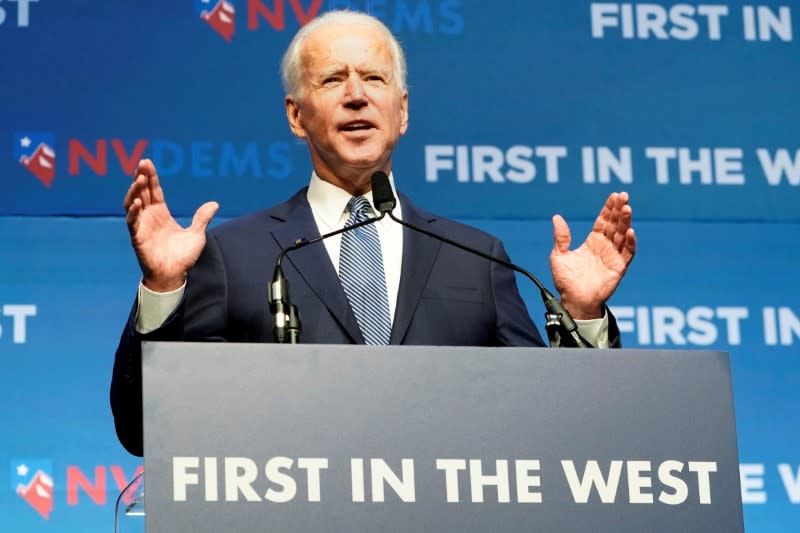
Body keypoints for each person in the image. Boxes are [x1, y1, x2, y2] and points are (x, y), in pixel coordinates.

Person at [111, 10, 636, 456]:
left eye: (374, 78)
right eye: (333, 79)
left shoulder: (477, 260)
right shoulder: (233, 255)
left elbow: (562, 430)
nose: (357, 96)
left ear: (402, 111)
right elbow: (144, 430)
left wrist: (584, 317)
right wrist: (162, 291)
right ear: (296, 116)